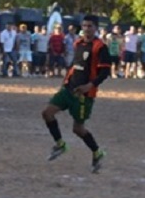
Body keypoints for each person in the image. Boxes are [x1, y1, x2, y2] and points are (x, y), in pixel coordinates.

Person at [43, 15, 111, 173]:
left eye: (90, 26)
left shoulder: (100, 47)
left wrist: (90, 85)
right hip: (69, 89)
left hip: (84, 95)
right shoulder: (77, 44)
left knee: (78, 129)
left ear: (95, 28)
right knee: (47, 113)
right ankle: (60, 144)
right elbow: (76, 65)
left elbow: (105, 72)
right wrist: (66, 80)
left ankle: (97, 152)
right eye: (84, 26)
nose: (87, 29)